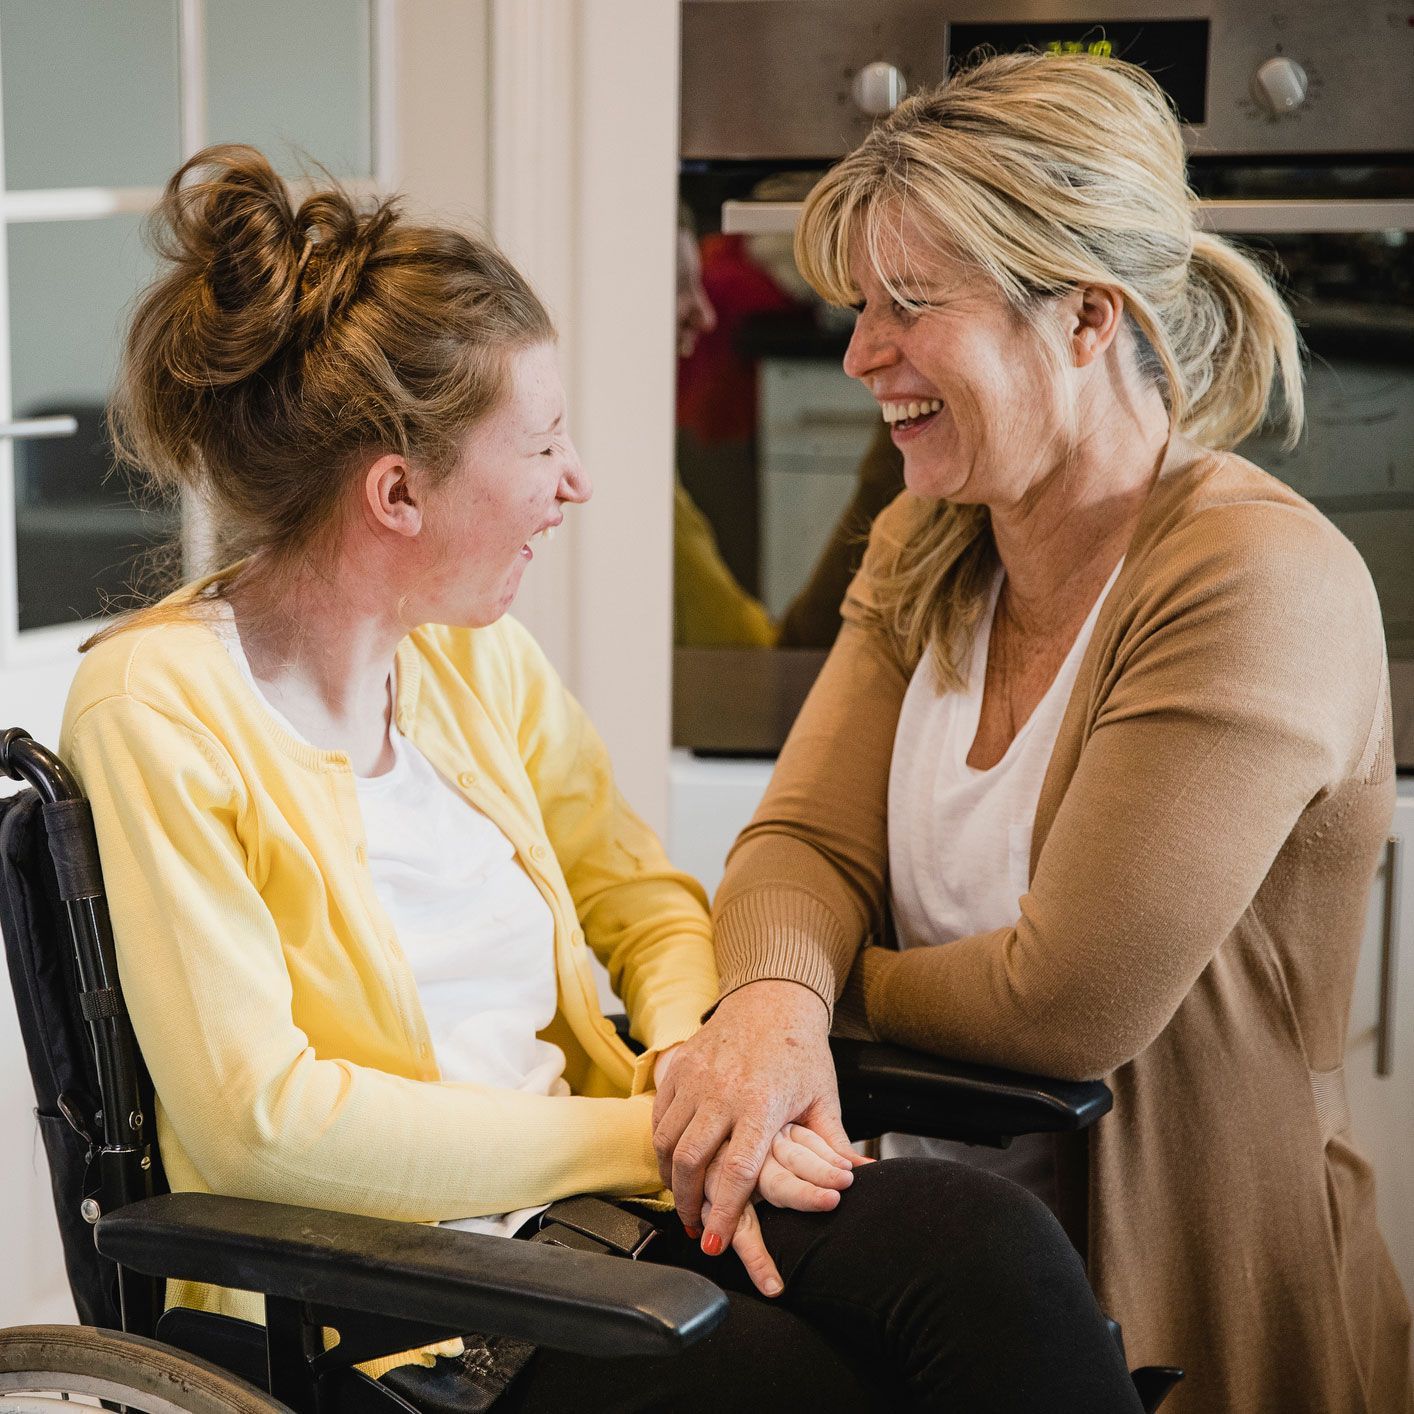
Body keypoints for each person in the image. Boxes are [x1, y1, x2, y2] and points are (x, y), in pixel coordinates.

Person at [60, 144, 1145, 1412]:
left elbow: (642, 898)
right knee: (798, 1389)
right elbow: (265, 1124)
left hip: (597, 1221)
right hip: (381, 1306)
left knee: (983, 1250)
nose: (574, 482)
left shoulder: (471, 659)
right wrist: (645, 1133)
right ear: (397, 492)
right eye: (542, 444)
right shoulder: (157, 707)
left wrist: (696, 1066)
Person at [651, 53, 1414, 1414]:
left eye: (909, 304)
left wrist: (808, 993)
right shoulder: (933, 536)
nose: (860, 353)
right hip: (933, 1290)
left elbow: (1063, 1003)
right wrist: (772, 1003)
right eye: (859, 306)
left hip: (1170, 1315)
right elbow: (799, 841)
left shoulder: (1251, 579)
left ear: (1084, 318)